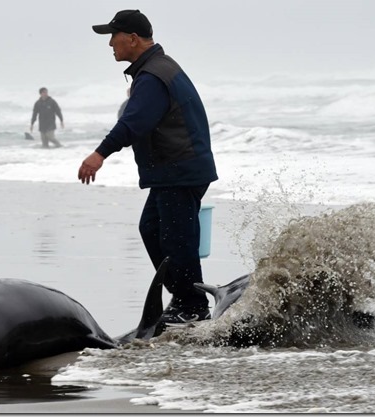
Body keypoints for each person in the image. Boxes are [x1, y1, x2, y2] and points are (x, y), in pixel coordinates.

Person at [79, 9, 218, 325]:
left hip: (180, 170)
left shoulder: (154, 75)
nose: (110, 44)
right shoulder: (155, 71)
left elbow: (134, 123)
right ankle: (184, 297)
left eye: (113, 36)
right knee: (153, 229)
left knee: (176, 238)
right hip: (175, 169)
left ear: (132, 38)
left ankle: (193, 304)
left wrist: (99, 154)